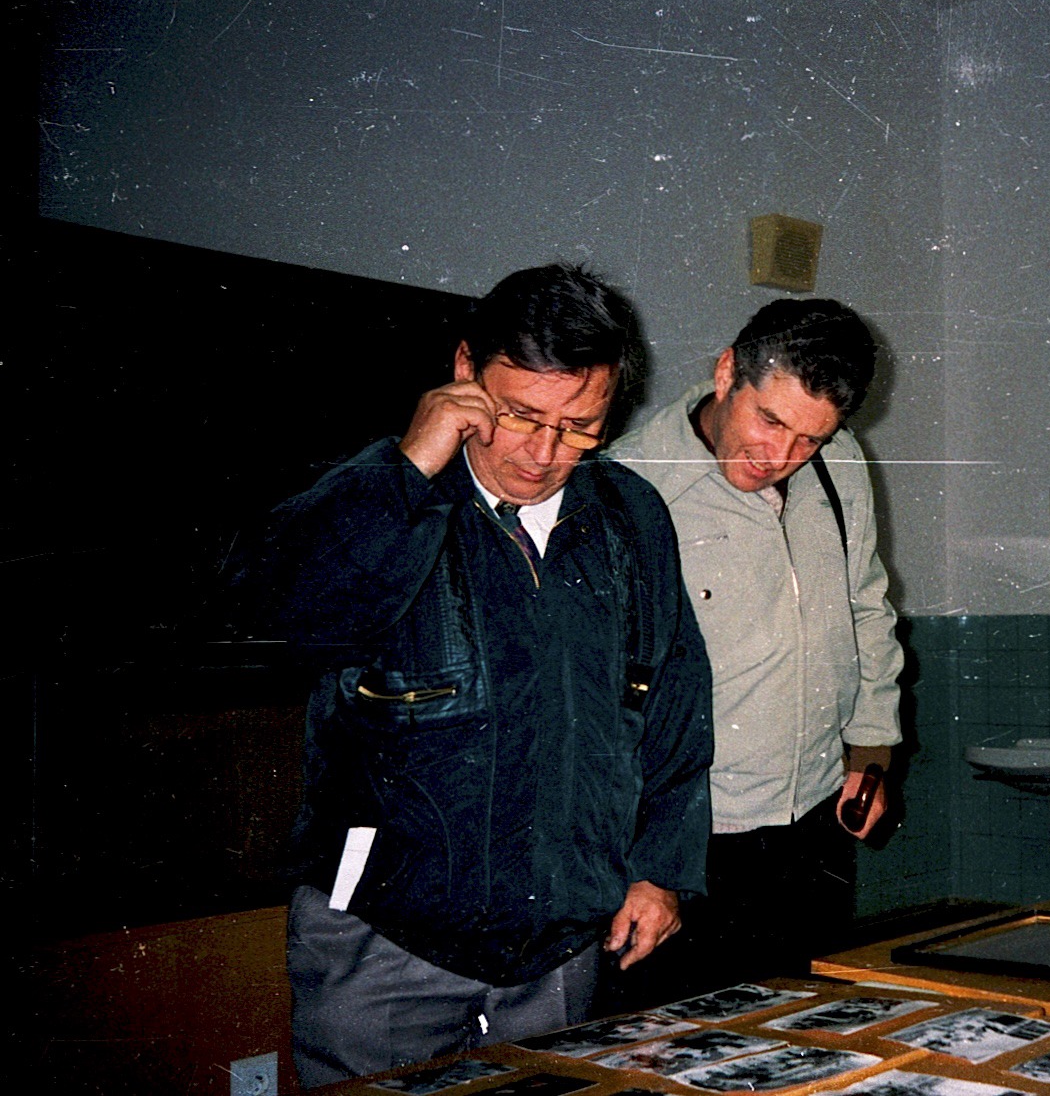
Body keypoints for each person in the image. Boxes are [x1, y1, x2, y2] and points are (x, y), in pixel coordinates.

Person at [241, 262, 713, 1086]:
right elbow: (275, 612)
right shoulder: (388, 496)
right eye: (520, 415)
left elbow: (673, 702)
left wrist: (661, 867)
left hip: (564, 945)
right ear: (465, 372)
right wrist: (405, 474)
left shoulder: (631, 518)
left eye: (579, 427)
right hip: (385, 943)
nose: (542, 452)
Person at [607, 297, 904, 991]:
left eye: (810, 439)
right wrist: (644, 864)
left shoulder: (840, 463)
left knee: (809, 1041)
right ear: (726, 373)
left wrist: (871, 752)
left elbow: (866, 607)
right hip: (690, 845)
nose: (780, 458)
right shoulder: (630, 489)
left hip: (816, 824)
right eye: (768, 420)